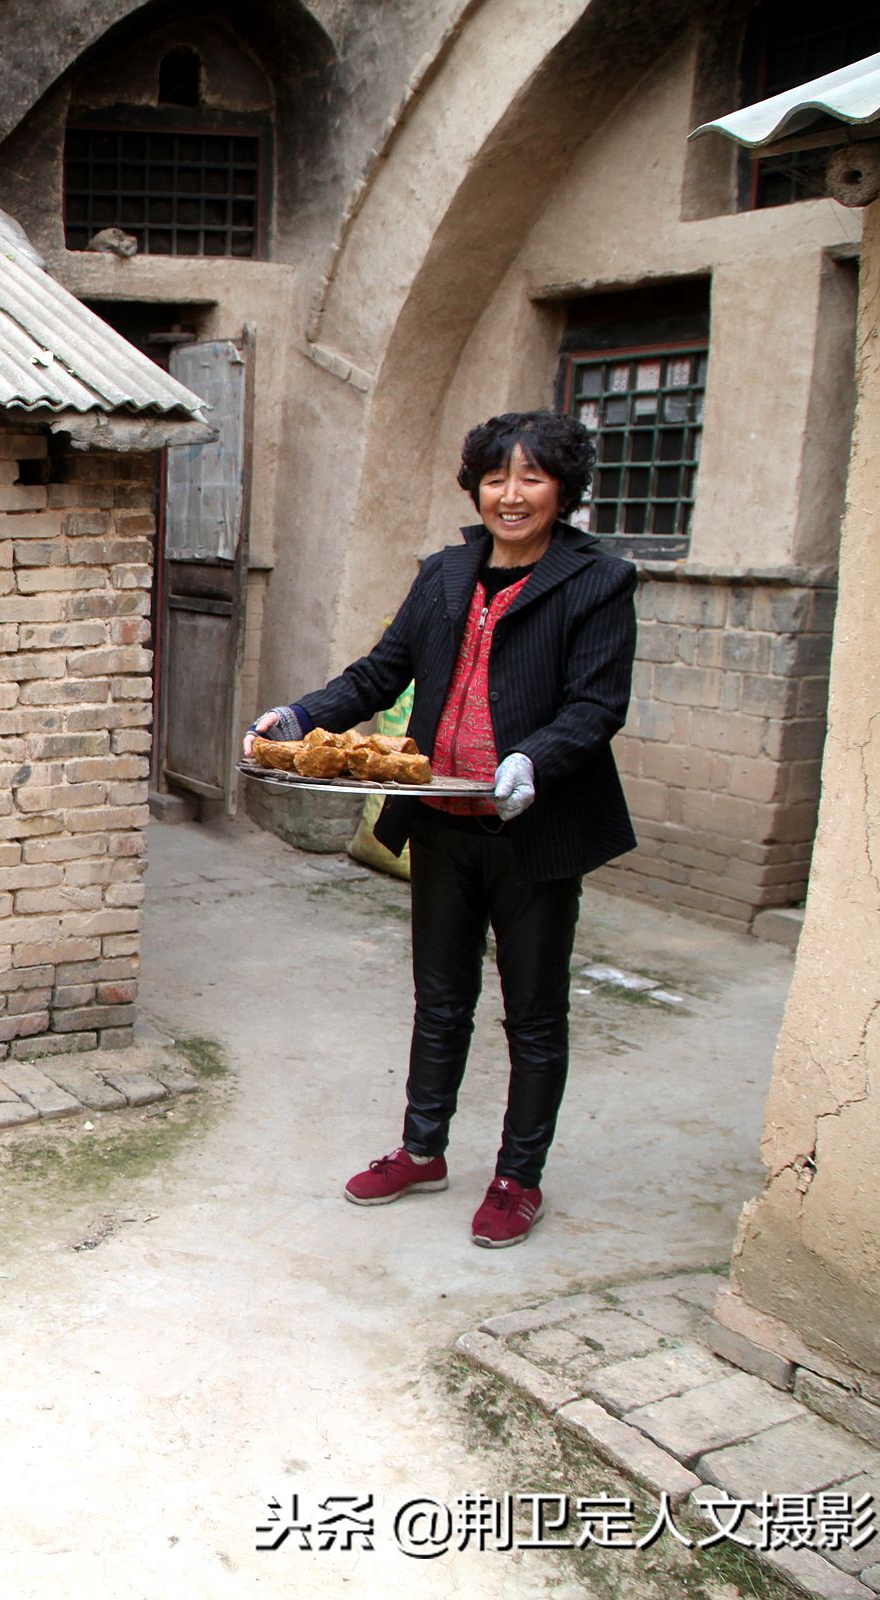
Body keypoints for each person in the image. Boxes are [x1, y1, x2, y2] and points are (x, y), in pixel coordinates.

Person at [247, 411, 636, 1249]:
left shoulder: (598, 582)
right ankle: (423, 1150)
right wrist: (299, 715)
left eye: (531, 477)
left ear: (562, 489)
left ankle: (516, 1178)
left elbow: (597, 706)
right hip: (441, 823)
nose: (511, 494)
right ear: (477, 487)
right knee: (440, 1000)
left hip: (534, 831)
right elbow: (383, 671)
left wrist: (533, 758)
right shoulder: (445, 574)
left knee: (533, 1015)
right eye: (497, 477)